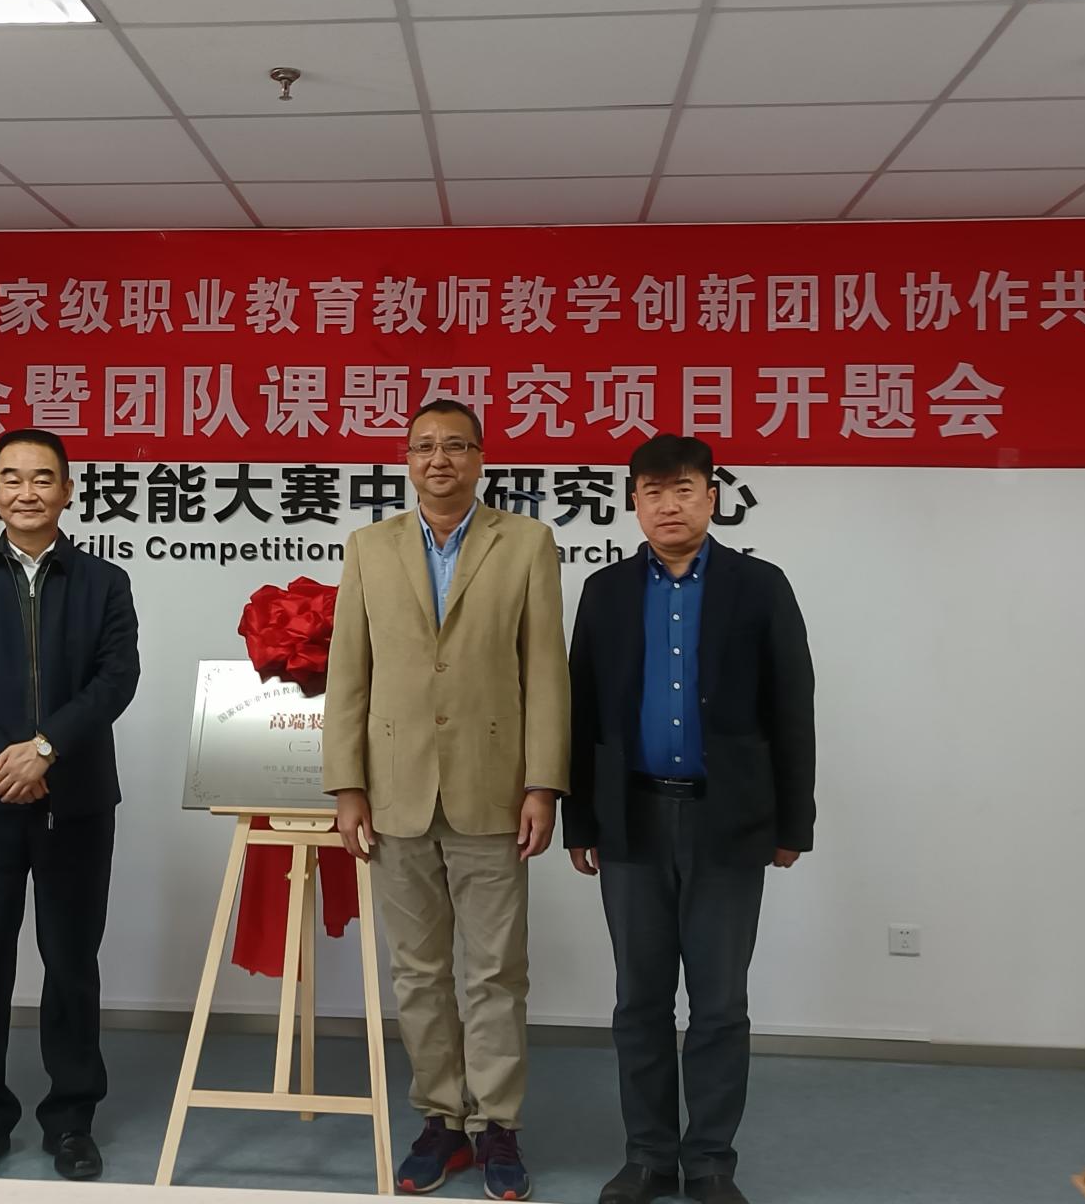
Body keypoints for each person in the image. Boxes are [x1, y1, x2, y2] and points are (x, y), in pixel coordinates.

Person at [322, 398, 570, 1201]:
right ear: (406, 460)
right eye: (424, 446)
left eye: (456, 446)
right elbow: (348, 673)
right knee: (419, 971)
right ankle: (440, 1118)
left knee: (496, 971)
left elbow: (546, 671)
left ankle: (498, 1126)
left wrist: (543, 783)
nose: (439, 460)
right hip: (394, 792)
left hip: (492, 791)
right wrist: (347, 785)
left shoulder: (525, 542)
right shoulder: (370, 547)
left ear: (480, 458)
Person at [563, 435, 815, 1204]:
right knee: (638, 1000)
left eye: (682, 490)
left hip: (728, 822)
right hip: (631, 818)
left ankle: (709, 1161)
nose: (667, 505)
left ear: (711, 497)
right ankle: (647, 1156)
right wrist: (582, 821)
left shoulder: (759, 586)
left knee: (719, 1004)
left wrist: (792, 823)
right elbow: (582, 709)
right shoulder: (606, 591)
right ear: (633, 502)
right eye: (652, 492)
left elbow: (792, 706)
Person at [0, 428, 140, 1181]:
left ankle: (72, 1121)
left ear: (68, 490)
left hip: (76, 799)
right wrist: (2, 760)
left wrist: (46, 749)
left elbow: (116, 679)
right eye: (11, 478)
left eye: (43, 478)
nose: (27, 491)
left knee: (71, 961)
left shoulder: (104, 581)